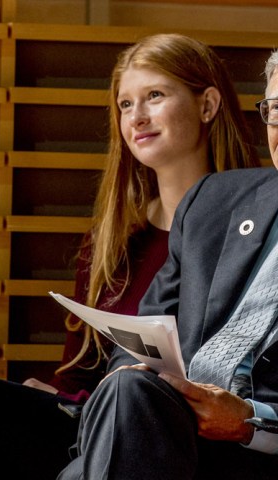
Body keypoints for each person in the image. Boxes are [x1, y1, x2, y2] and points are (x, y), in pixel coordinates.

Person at [0, 34, 260, 479]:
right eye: (125, 105)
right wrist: (53, 394)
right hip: (91, 418)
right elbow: (81, 372)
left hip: (182, 429)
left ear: (208, 105)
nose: (137, 118)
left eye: (155, 96)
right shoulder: (111, 241)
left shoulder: (254, 235)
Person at [57, 50, 278, 480]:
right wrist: (133, 375)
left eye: (154, 95)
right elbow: (135, 337)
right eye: (276, 111)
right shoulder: (216, 201)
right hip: (167, 421)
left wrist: (250, 419)